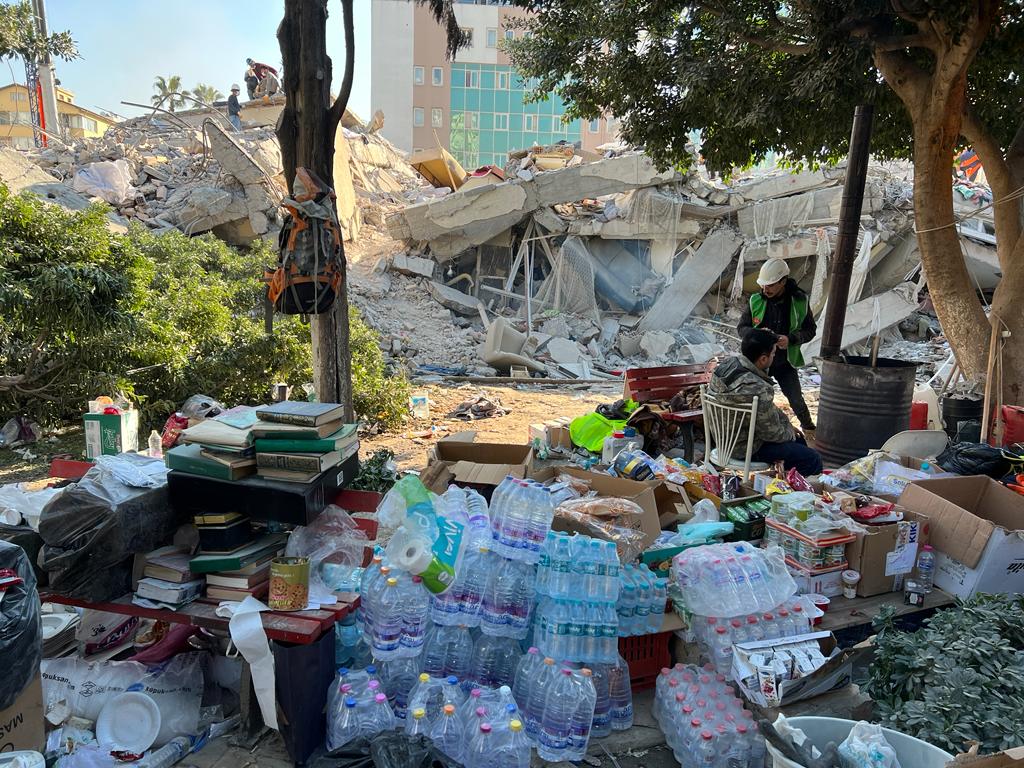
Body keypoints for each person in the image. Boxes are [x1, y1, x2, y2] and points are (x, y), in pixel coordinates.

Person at [708, 328, 823, 477]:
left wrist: (787, 426)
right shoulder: (758, 388)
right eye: (773, 353)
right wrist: (788, 431)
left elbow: (766, 415)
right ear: (763, 359)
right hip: (745, 448)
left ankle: (785, 482)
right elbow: (772, 434)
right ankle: (793, 494)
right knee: (812, 458)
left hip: (723, 440)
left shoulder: (727, 366)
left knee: (797, 440)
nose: (774, 357)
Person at [737, 257, 817, 431]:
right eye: (763, 285)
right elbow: (742, 328)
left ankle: (809, 431)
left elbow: (810, 330)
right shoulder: (755, 301)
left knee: (796, 400)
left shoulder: (800, 301)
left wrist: (791, 339)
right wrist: (757, 334)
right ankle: (748, 433)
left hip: (784, 361)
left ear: (783, 282)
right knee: (753, 400)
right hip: (758, 362)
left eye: (771, 285)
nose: (766, 289)